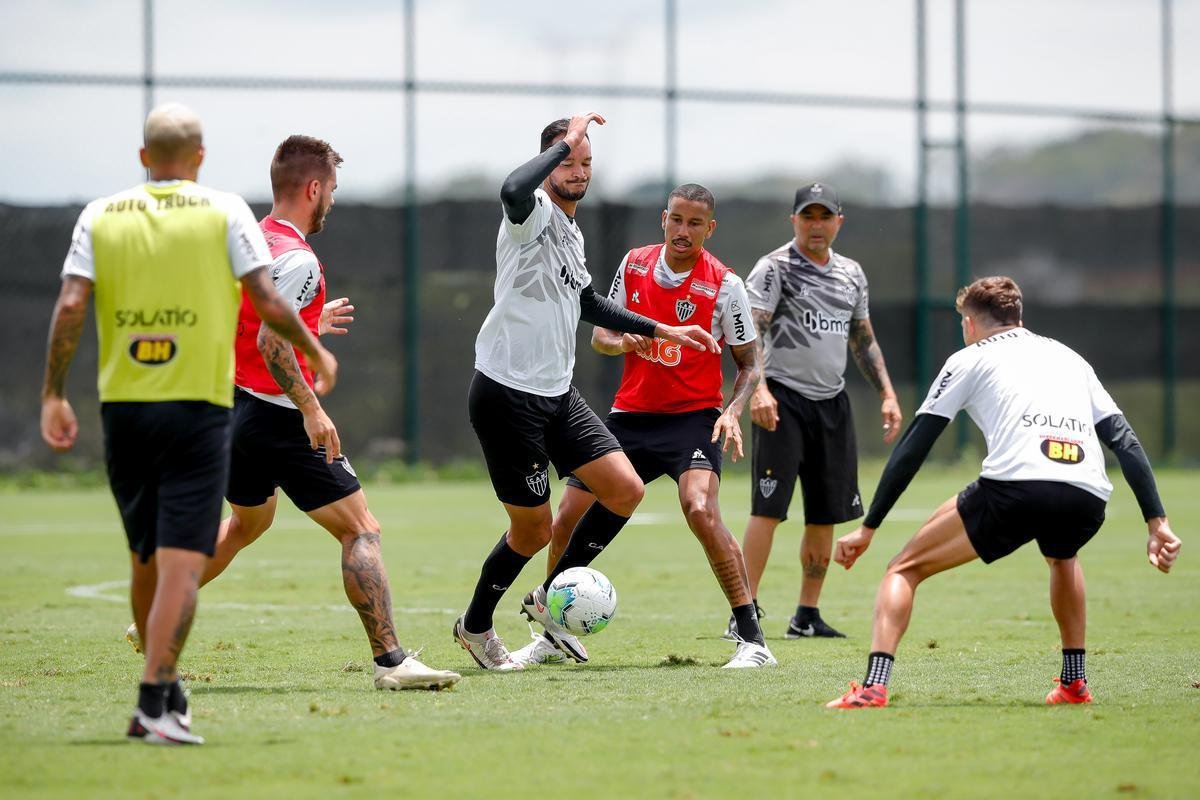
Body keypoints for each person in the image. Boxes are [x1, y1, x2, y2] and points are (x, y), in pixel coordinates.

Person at [41, 103, 338, 745]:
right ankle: (155, 700)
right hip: (200, 408)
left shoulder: (100, 214)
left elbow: (70, 304)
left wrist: (52, 394)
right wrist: (313, 349)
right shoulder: (225, 210)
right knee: (182, 557)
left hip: (123, 408)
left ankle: (164, 691)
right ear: (199, 157)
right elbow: (264, 299)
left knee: (144, 554)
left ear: (144, 157)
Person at [825, 276, 1181, 708]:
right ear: (1019, 318)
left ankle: (873, 687)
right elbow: (1124, 439)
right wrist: (1156, 521)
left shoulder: (969, 358)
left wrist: (869, 526)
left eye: (963, 323)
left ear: (971, 325)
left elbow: (915, 445)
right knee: (1063, 555)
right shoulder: (1070, 357)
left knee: (902, 569)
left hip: (1017, 487)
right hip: (1087, 493)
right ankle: (1074, 683)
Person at [453, 113, 720, 671]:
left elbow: (587, 303)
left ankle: (549, 606)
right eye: (568, 159)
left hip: (556, 392)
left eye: (585, 161)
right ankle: (475, 626)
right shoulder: (530, 214)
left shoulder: (571, 232)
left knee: (624, 488)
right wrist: (565, 141)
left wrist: (661, 329)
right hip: (506, 391)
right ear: (549, 161)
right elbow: (510, 187)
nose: (577, 169)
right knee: (530, 530)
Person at [191, 135, 458, 691]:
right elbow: (270, 340)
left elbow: (245, 321)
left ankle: (156, 611)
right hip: (279, 416)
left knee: (248, 522)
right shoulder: (299, 258)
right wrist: (311, 409)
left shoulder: (252, 241)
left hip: (234, 407)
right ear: (313, 188)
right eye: (331, 189)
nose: (332, 200)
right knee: (361, 530)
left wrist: (309, 323)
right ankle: (392, 663)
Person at [511, 183, 775, 669]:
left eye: (695, 223)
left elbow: (750, 364)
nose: (683, 230)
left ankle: (753, 640)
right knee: (567, 516)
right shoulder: (633, 265)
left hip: (693, 421)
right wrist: (622, 344)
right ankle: (554, 635)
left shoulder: (726, 284)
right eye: (677, 219)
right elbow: (602, 338)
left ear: (709, 229)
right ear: (663, 218)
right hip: (630, 418)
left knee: (700, 509)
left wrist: (733, 410)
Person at [735, 182, 902, 640]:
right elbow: (751, 335)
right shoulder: (774, 269)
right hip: (783, 400)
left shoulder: (851, 273)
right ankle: (742, 611)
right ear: (794, 220)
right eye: (807, 216)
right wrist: (760, 391)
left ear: (838, 222)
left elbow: (862, 339)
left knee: (825, 514)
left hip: (832, 403)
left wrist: (887, 392)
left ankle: (806, 614)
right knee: (767, 509)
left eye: (824, 216)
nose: (816, 225)